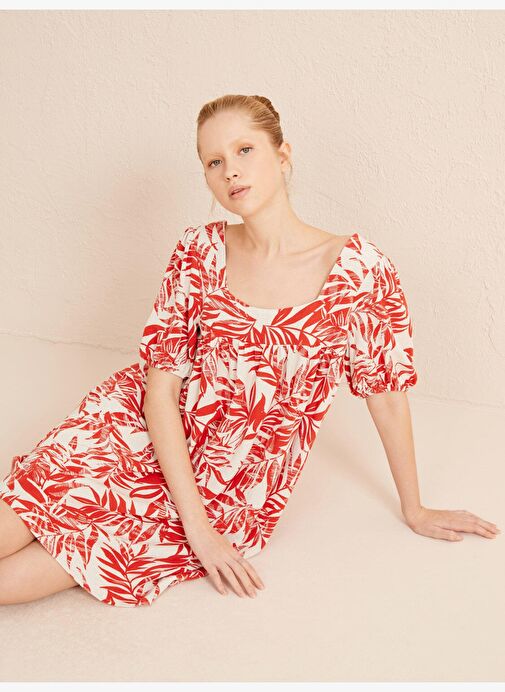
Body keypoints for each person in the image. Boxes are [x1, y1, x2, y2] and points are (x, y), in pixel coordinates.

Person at [0, 94, 499, 608]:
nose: (230, 172)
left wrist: (415, 508)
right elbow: (159, 391)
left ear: (282, 155)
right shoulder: (198, 251)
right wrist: (195, 528)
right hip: (133, 428)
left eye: (244, 150)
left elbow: (387, 396)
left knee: (11, 583)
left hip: (232, 483)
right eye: (213, 162)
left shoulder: (361, 272)